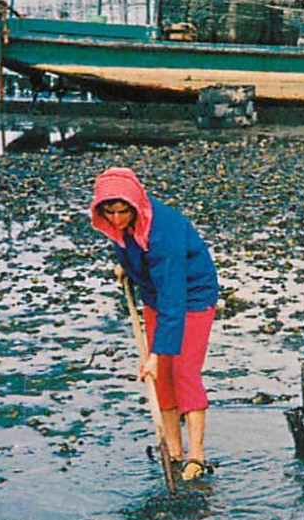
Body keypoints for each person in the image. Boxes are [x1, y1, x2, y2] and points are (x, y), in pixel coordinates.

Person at [91, 168, 220, 480]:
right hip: (154, 292)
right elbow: (128, 247)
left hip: (191, 295)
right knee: (161, 377)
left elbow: (173, 300)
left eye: (123, 211)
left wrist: (154, 355)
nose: (118, 219)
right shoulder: (118, 225)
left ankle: (197, 457)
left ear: (135, 206)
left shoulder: (164, 233)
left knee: (184, 370)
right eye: (110, 212)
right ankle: (173, 451)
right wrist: (128, 271)